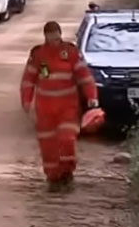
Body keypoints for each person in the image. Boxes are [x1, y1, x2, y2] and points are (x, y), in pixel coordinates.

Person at [20, 21, 98, 192]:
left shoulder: (70, 52)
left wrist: (92, 96)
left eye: (57, 37)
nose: (55, 40)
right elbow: (29, 79)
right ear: (45, 37)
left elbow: (84, 76)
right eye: (51, 37)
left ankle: (67, 173)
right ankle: (53, 177)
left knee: (67, 139)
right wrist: (26, 101)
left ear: (60, 35)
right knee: (48, 146)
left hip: (67, 107)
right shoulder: (38, 55)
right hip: (45, 109)